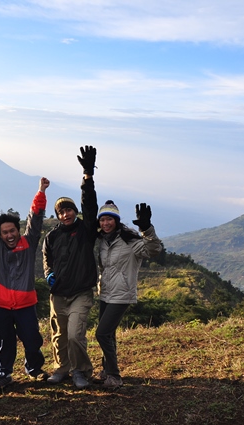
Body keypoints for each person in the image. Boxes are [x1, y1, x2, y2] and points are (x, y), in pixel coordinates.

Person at [0, 177, 50, 391]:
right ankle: (3, 374)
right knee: (4, 342)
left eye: (12, 231)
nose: (9, 235)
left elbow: (36, 218)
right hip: (2, 306)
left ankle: (34, 369)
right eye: (4, 232)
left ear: (18, 230)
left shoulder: (29, 242)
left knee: (32, 339)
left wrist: (40, 191)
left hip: (26, 305)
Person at [42, 145, 98, 390]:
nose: (66, 214)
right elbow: (47, 259)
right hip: (59, 294)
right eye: (61, 211)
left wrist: (88, 176)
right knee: (59, 336)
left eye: (69, 210)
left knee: (76, 335)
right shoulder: (52, 237)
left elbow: (90, 207)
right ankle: (61, 368)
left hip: (81, 292)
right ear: (57, 215)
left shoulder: (85, 231)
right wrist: (48, 274)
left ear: (75, 212)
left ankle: (81, 371)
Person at [94, 200, 162, 389]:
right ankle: (107, 370)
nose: (105, 223)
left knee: (102, 333)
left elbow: (154, 250)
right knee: (109, 335)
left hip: (122, 294)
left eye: (109, 219)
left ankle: (114, 376)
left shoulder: (129, 241)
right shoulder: (103, 242)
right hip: (105, 293)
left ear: (116, 220)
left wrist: (147, 229)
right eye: (102, 220)